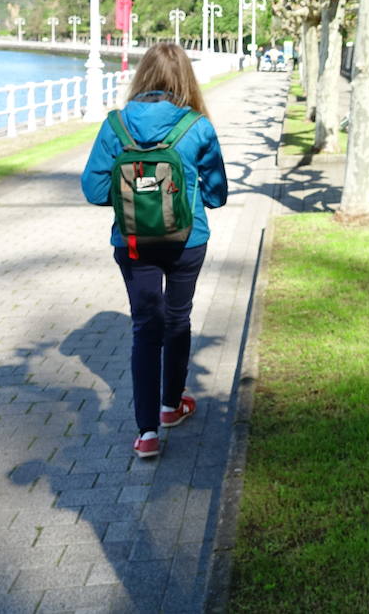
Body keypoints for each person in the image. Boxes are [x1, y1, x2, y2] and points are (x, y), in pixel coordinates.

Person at [81, 42, 228, 459]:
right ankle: (171, 405)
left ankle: (146, 434)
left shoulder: (116, 126)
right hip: (187, 240)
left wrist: (136, 197)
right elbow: (217, 193)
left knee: (146, 329)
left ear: (141, 76)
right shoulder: (196, 125)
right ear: (186, 79)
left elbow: (93, 189)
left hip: (132, 243)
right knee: (178, 320)